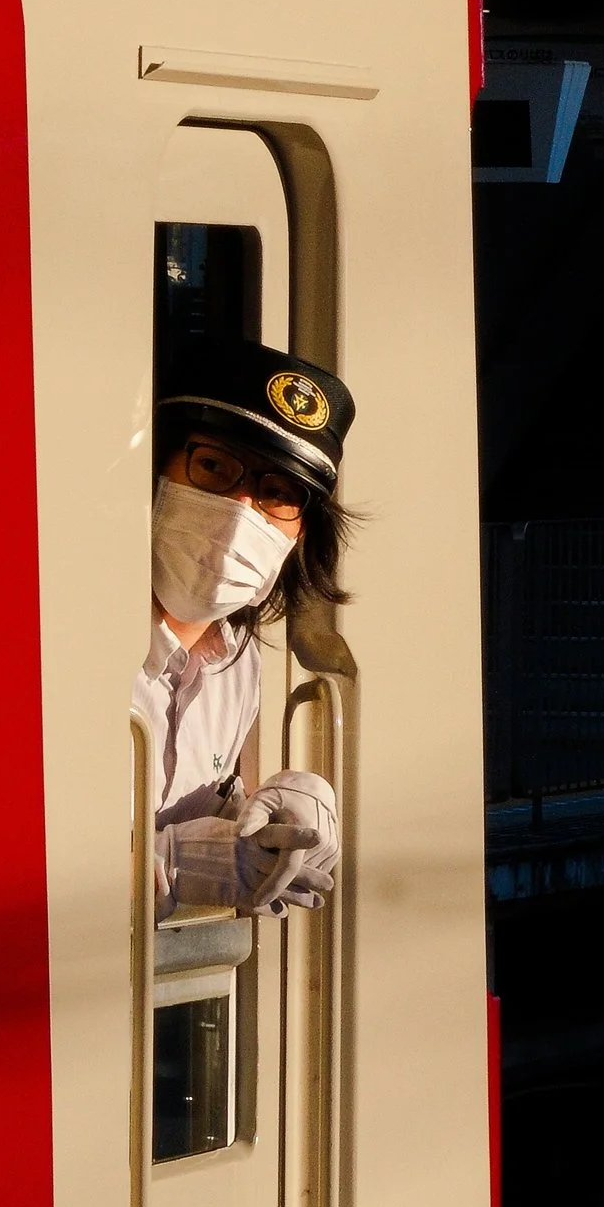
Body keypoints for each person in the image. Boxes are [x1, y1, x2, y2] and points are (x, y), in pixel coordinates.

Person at [138, 337, 355, 918]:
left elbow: (195, 825)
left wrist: (270, 822)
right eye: (213, 467)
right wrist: (177, 867)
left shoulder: (237, 662)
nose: (240, 509)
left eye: (276, 494)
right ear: (157, 472)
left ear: (300, 533)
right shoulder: (68, 645)